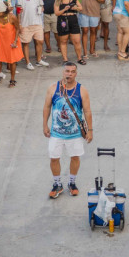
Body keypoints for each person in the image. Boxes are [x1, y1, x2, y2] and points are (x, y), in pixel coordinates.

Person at [42, 62, 93, 198]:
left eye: (72, 71)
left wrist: (90, 130)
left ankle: (72, 182)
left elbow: (87, 111)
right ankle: (57, 184)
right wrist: (45, 125)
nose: (69, 74)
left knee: (75, 157)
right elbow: (47, 107)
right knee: (54, 158)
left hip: (75, 133)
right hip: (56, 133)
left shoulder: (81, 90)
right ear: (63, 72)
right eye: (67, 71)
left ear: (76, 73)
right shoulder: (53, 88)